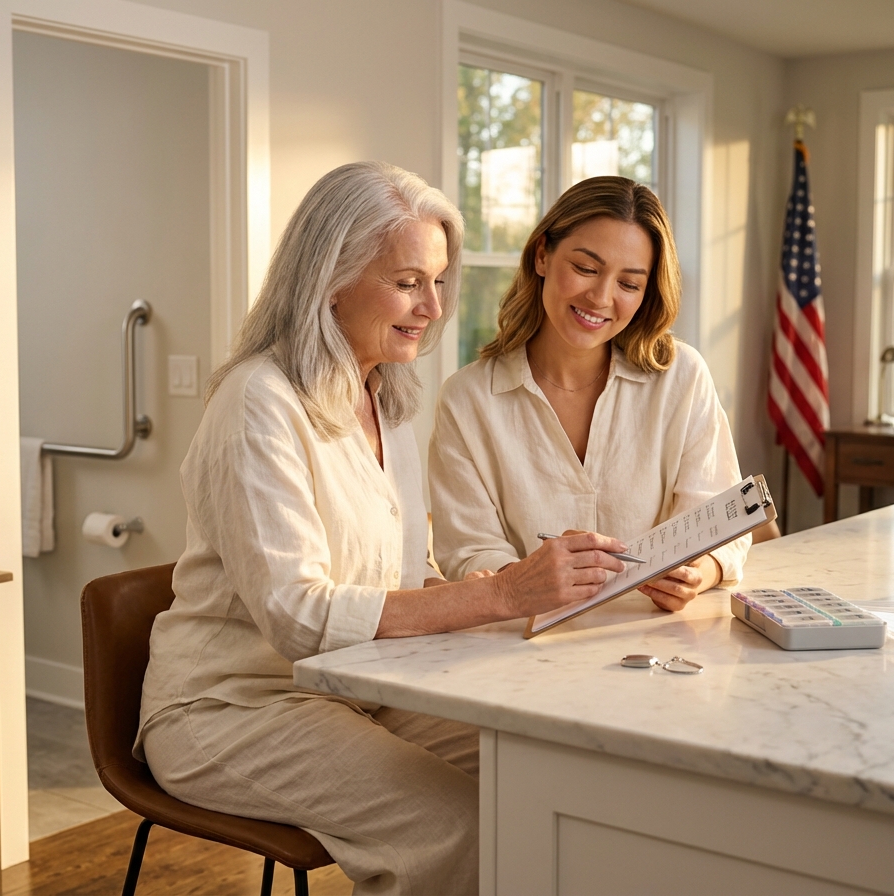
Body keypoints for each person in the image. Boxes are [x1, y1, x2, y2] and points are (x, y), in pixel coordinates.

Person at [134, 162, 628, 896]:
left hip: (355, 688)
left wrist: (515, 599)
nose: (433, 306)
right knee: (458, 826)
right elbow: (299, 617)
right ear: (329, 278)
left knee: (553, 774)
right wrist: (502, 595)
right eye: (407, 282)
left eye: (436, 281)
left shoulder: (383, 400)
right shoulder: (257, 402)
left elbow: (401, 580)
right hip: (232, 708)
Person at [429, 176, 750, 610]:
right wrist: (530, 578)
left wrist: (699, 572)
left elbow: (720, 519)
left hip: (658, 641)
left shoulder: (682, 377)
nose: (601, 297)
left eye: (629, 284)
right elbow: (467, 550)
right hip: (523, 650)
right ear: (542, 255)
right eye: (585, 268)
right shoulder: (467, 400)